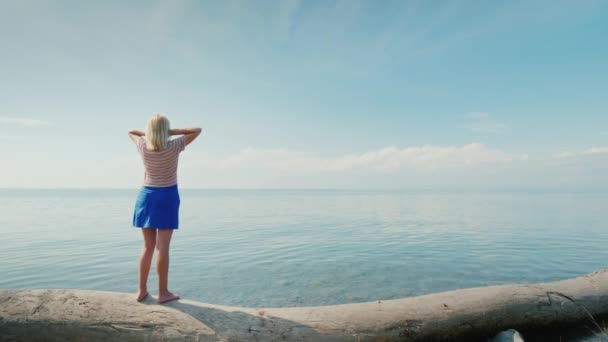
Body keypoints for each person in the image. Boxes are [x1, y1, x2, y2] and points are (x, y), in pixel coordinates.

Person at [128, 113, 201, 303]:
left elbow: (131, 131)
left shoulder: (143, 146)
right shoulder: (173, 145)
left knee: (147, 246)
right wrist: (169, 132)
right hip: (167, 196)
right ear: (166, 130)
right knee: (163, 248)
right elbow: (197, 130)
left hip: (147, 196)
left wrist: (151, 133)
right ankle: (163, 293)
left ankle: (141, 290)